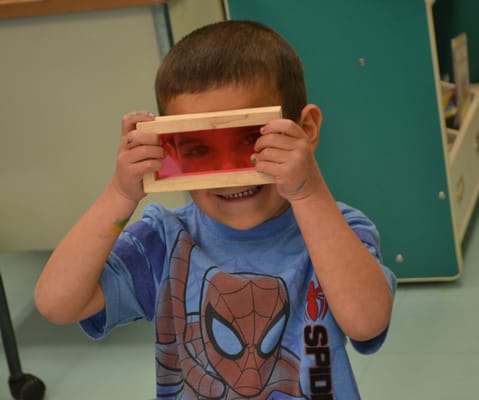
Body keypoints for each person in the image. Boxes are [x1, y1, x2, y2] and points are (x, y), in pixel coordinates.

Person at [34, 20, 396, 399]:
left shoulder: (338, 228)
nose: (227, 177)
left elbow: (366, 322)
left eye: (251, 140)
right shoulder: (165, 239)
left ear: (305, 130)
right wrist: (119, 194)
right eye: (198, 150)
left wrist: (309, 195)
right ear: (169, 152)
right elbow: (57, 303)